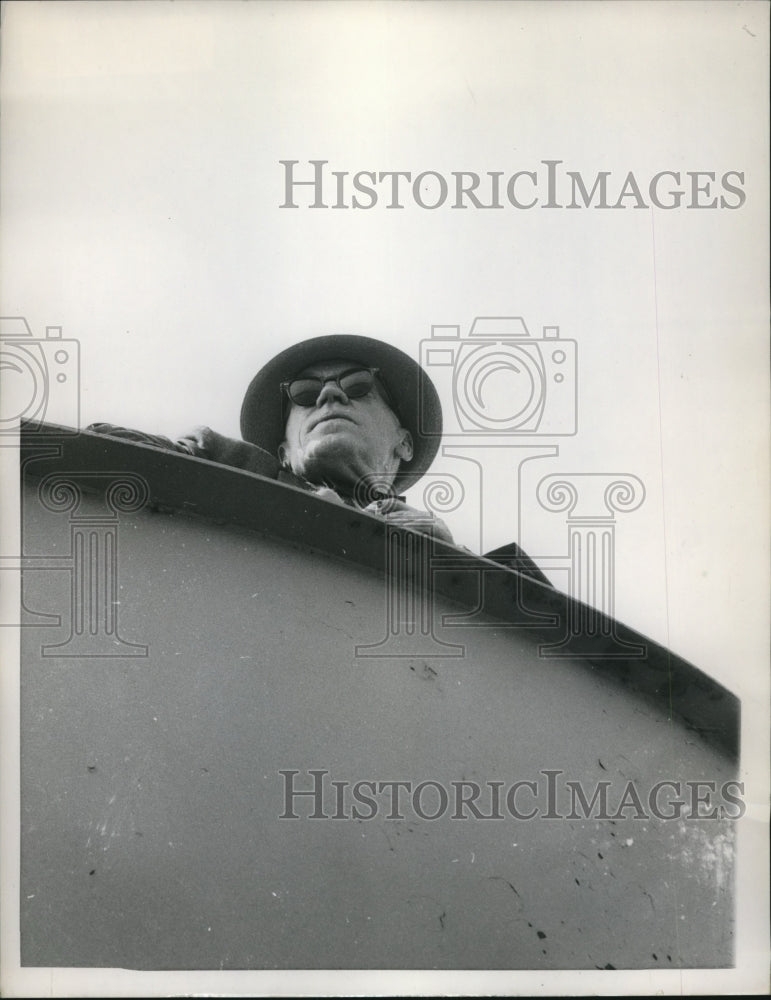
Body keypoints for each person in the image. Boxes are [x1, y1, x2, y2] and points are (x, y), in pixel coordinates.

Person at [88, 334, 454, 542]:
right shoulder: (218, 460)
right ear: (284, 453)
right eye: (306, 393)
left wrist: (448, 553)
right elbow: (102, 450)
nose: (329, 396)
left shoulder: (440, 542)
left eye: (359, 386)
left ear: (404, 443)